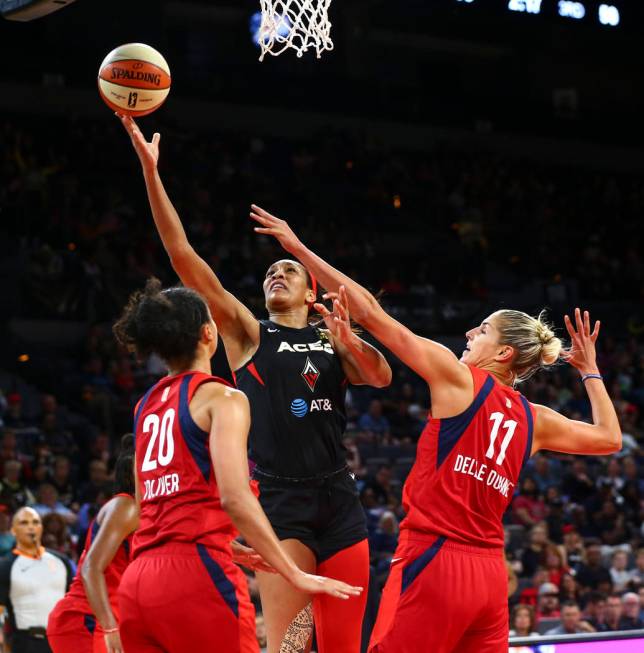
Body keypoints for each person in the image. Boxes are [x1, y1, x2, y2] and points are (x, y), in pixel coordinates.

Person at [249, 206, 623, 653]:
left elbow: (370, 311)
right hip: (489, 577)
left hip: (434, 562)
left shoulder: (458, 378)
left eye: (482, 330)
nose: (469, 332)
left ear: (503, 353)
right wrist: (590, 371)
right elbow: (609, 439)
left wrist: (299, 250)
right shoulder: (535, 418)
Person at [119, 116, 391, 653]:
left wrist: (347, 339)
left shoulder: (331, 336)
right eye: (270, 271)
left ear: (311, 289)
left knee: (341, 645)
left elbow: (380, 376)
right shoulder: (247, 333)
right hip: (282, 502)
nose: (276, 274)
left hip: (339, 499)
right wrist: (152, 174)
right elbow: (184, 260)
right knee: (290, 644)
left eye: (288, 270)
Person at [111, 278, 362, 653]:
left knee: (310, 637)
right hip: (199, 573)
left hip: (141, 577)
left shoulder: (145, 404)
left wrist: (234, 548)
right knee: (293, 642)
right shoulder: (224, 396)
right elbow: (235, 498)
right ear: (209, 333)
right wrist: (294, 573)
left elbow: (152, 507)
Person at [47, 434, 138, 653]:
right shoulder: (127, 506)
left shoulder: (148, 513)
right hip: (86, 618)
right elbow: (91, 567)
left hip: (112, 618)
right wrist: (110, 628)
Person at [0, 507, 73, 653]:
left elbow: (72, 602)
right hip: (26, 643)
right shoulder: (5, 565)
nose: (31, 527)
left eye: (35, 522)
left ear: (41, 527)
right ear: (13, 530)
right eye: (24, 523)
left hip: (62, 640)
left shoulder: (61, 561)